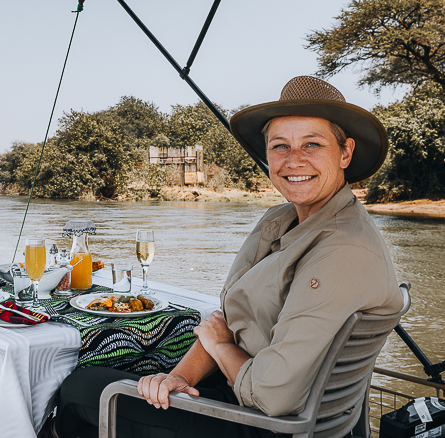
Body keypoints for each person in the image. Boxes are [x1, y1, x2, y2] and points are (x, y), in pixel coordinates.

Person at [53, 76, 403, 438]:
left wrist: (220, 347)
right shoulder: (279, 219)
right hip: (237, 390)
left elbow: (271, 392)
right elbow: (224, 320)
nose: (293, 160)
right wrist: (178, 378)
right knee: (126, 366)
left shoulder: (343, 249)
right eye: (280, 146)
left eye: (312, 144)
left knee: (81, 388)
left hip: (266, 424)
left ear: (344, 152)